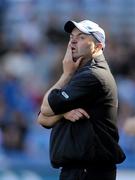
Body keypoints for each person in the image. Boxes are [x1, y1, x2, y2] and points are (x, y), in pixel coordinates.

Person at [37, 20, 126, 180]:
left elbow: (46, 109)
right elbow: (43, 119)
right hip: (80, 170)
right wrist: (63, 112)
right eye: (72, 36)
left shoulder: (92, 75)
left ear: (98, 47)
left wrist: (65, 75)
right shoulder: (80, 73)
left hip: (89, 171)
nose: (73, 40)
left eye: (82, 37)